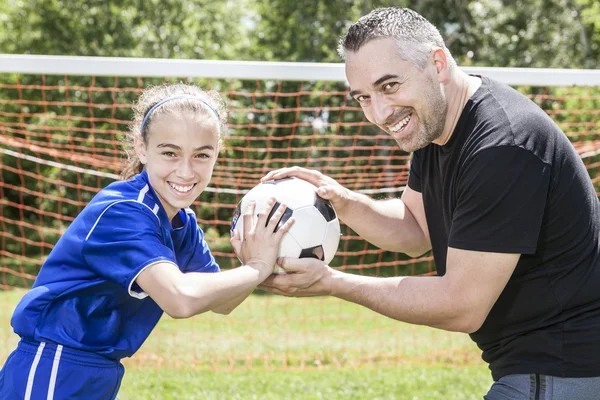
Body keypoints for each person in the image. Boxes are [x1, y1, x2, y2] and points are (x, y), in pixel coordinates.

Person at [258, 7, 600, 399]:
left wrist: (333, 283)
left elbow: (461, 305)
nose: (381, 113)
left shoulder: (502, 145)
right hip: (537, 366)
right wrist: (342, 201)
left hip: (567, 368)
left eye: (389, 86)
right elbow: (414, 229)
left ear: (436, 63)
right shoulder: (435, 125)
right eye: (364, 98)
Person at [0, 83, 293, 399]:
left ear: (216, 153)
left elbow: (223, 303)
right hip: (54, 364)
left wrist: (260, 258)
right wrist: (257, 267)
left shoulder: (182, 221)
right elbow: (180, 299)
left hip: (99, 370)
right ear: (142, 148)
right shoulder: (125, 211)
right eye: (169, 153)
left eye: (201, 155)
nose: (185, 171)